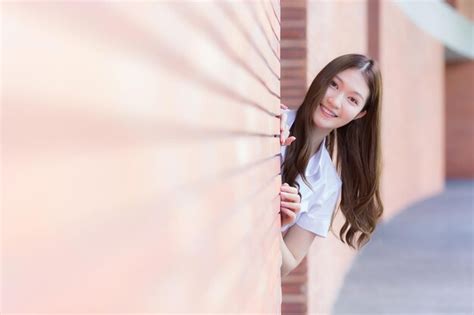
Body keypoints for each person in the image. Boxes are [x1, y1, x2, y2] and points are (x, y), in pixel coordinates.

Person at [278, 54, 384, 277]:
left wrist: (274, 225)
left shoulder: (327, 184)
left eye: (352, 100)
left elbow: (286, 266)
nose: (335, 101)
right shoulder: (274, 121)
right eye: (333, 84)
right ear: (321, 80)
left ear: (360, 114)